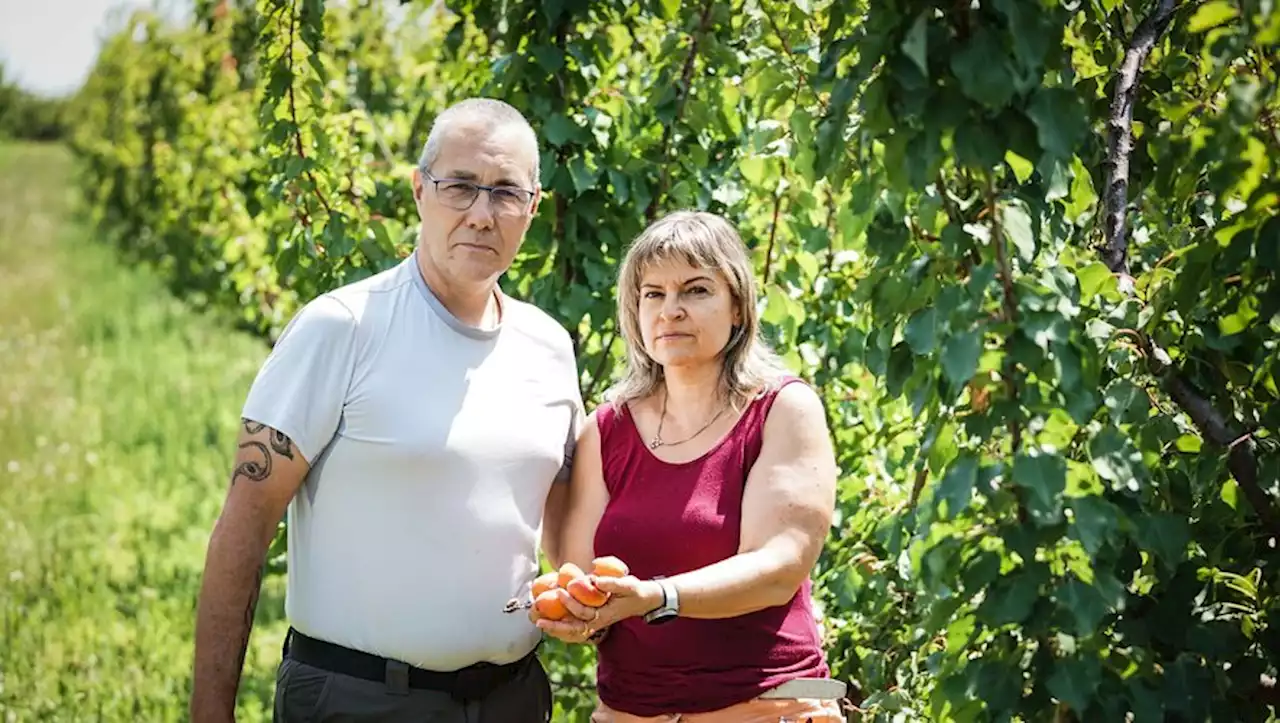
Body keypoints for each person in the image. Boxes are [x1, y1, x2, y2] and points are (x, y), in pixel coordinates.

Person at [190, 97, 584, 723]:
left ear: (533, 207)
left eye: (507, 193)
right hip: (359, 700)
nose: (483, 215)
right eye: (461, 186)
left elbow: (564, 533)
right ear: (419, 191)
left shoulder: (549, 347)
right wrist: (209, 714)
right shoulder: (342, 328)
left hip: (514, 700)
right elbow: (244, 526)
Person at [532, 210, 848, 721]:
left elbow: (778, 567)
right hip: (632, 711)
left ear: (739, 307)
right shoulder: (606, 430)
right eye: (653, 294)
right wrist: (576, 609)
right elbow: (583, 577)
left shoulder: (781, 410)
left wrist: (657, 596)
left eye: (696, 291)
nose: (670, 310)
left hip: (765, 707)